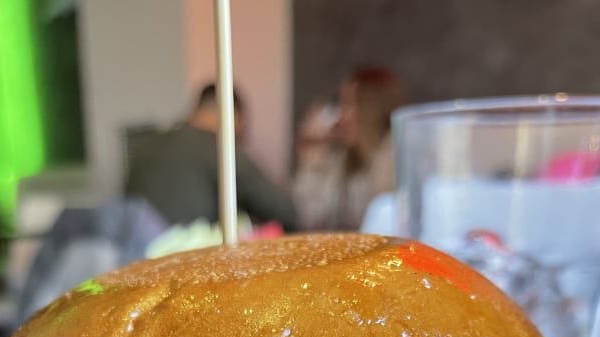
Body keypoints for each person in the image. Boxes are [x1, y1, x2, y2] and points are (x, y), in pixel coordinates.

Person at [125, 84, 297, 232]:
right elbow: (283, 210)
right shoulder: (215, 145)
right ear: (233, 115)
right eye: (241, 131)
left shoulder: (146, 147)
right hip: (187, 261)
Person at [292, 67, 405, 231]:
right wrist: (313, 164)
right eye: (341, 103)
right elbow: (309, 219)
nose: (341, 114)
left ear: (373, 108)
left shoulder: (396, 154)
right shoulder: (342, 157)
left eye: (350, 104)